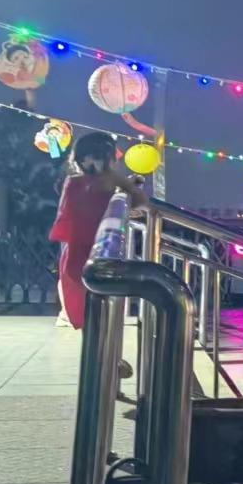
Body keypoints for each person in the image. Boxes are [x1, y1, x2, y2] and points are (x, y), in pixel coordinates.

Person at [49, 132, 146, 336]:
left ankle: (100, 351)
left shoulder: (74, 182)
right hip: (92, 254)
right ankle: (102, 352)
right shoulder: (92, 183)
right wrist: (125, 183)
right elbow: (139, 201)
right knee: (95, 312)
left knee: (91, 316)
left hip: (80, 255)